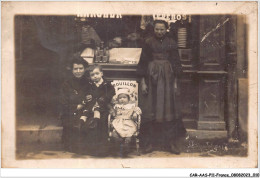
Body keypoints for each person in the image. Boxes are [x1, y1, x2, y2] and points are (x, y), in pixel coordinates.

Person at [137, 20, 186, 154]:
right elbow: (142, 63)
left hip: (167, 80)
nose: (159, 32)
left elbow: (176, 63)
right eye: (157, 29)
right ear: (154, 29)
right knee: (151, 110)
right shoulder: (148, 42)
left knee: (168, 110)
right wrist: (143, 82)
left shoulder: (172, 43)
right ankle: (149, 144)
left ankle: (171, 144)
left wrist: (175, 83)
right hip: (151, 79)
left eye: (162, 29)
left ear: (167, 29)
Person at [79, 64, 115, 156]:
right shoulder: (89, 85)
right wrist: (87, 97)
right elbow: (84, 94)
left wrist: (104, 98)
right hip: (91, 108)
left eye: (97, 74)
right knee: (89, 125)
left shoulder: (107, 85)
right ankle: (91, 149)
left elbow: (111, 93)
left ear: (101, 74)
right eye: (92, 75)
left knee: (102, 124)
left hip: (103, 108)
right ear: (90, 77)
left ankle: (102, 150)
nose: (95, 76)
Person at [60, 56, 89, 153]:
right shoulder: (67, 84)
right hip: (71, 111)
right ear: (72, 70)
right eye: (75, 69)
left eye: (81, 68)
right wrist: (76, 107)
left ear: (85, 69)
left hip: (86, 110)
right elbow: (63, 102)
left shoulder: (89, 82)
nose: (78, 71)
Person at [110, 89, 142, 157]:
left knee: (129, 133)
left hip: (128, 122)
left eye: (124, 97)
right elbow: (112, 112)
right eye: (120, 98)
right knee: (116, 133)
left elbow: (138, 111)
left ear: (128, 98)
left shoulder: (132, 106)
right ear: (117, 99)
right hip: (118, 122)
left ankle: (126, 147)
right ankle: (119, 147)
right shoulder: (116, 106)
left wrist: (135, 113)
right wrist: (113, 112)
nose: (122, 99)